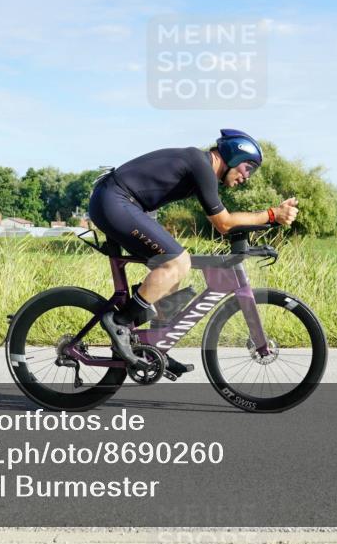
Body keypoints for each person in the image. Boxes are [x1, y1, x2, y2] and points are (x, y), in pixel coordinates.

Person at [88, 129, 298, 375]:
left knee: (170, 273)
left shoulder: (201, 167)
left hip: (121, 202)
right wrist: (272, 215)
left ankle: (152, 345)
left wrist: (268, 219)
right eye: (247, 168)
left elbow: (226, 220)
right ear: (232, 156)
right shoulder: (200, 164)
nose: (247, 177)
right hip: (115, 200)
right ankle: (119, 322)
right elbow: (224, 224)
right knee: (177, 262)